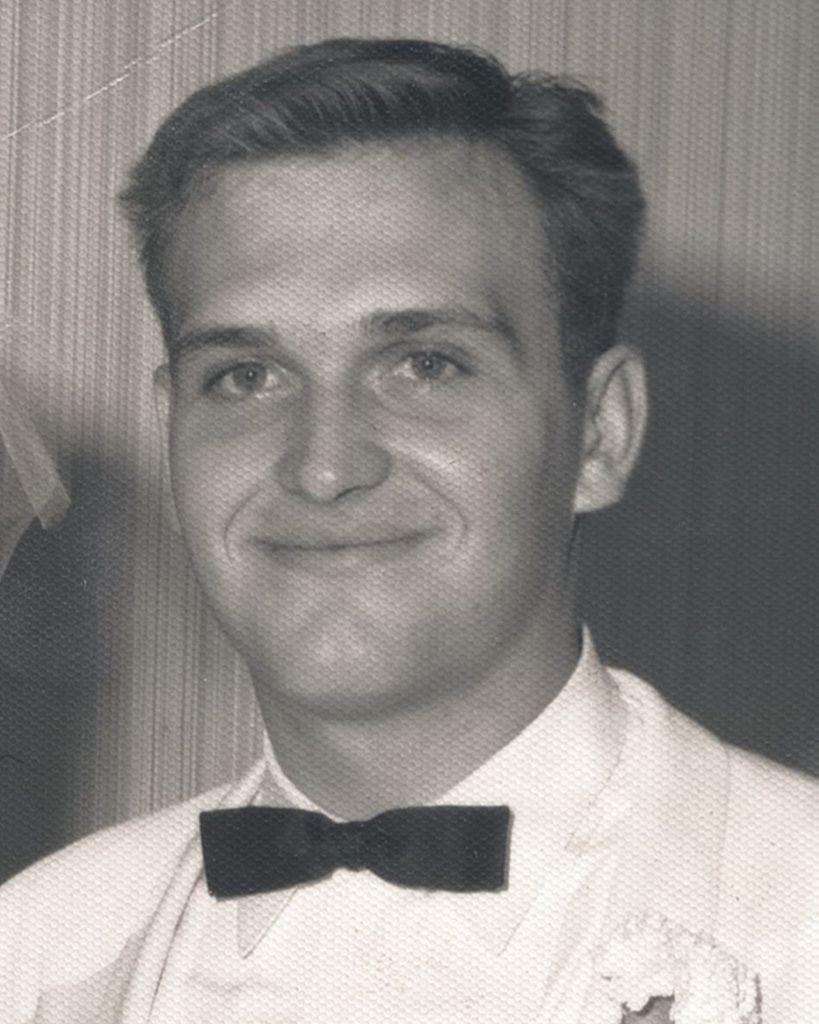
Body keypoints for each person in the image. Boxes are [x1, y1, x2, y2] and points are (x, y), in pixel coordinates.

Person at [2, 37, 817, 1024]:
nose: (324, 467)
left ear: (600, 433)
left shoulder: (796, 908)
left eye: (425, 365)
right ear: (172, 427)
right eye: (246, 377)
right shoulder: (33, 951)